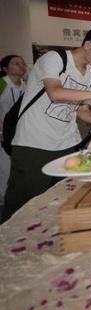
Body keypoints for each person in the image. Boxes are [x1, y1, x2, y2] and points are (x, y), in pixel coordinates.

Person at [2, 27, 91, 221]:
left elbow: (82, 111)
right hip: (34, 143)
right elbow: (56, 93)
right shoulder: (55, 59)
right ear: (87, 44)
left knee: (60, 200)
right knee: (21, 204)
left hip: (67, 143)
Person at [0, 55, 27, 206]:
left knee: (17, 164)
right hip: (3, 132)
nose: (21, 65)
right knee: (4, 165)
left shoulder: (27, 86)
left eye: (22, 62)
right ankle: (4, 199)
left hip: (19, 133)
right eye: (16, 63)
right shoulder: (2, 84)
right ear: (5, 68)